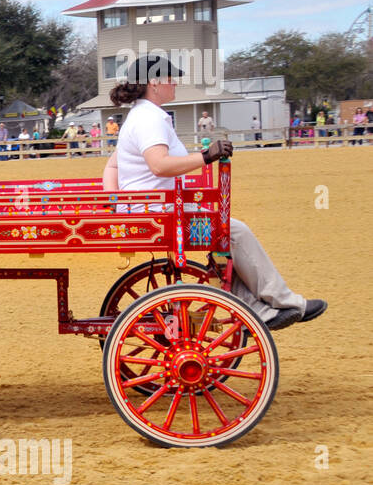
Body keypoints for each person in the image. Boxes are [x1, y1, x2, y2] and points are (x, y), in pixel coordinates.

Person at [102, 54, 325, 331]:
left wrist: (117, 204)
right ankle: (284, 302)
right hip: (160, 214)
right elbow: (159, 166)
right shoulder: (151, 119)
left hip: (152, 210)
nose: (175, 83)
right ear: (154, 82)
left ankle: (257, 309)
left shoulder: (138, 116)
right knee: (235, 232)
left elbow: (112, 165)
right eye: (171, 78)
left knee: (226, 238)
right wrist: (207, 156)